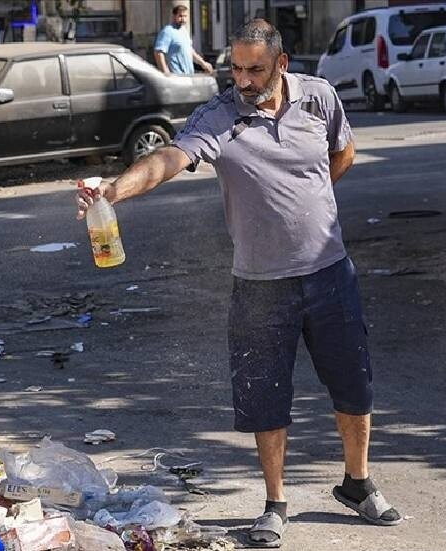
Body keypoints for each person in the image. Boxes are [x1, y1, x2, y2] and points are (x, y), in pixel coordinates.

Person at [77, 19, 401, 547]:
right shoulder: (220, 116)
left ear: (282, 64)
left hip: (330, 272)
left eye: (255, 69)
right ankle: (275, 504)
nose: (244, 80)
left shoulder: (319, 98)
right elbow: (168, 159)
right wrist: (114, 191)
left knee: (354, 385)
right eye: (236, 67)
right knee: (265, 399)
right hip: (260, 285)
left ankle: (357, 483)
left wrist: (309, 202)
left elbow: (343, 152)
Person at [154, 5, 213, 76]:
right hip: (176, 77)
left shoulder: (184, 31)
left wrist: (203, 64)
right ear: (174, 16)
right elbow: (159, 53)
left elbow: (190, 51)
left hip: (189, 75)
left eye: (185, 16)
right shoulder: (167, 31)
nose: (183, 19)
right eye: (180, 16)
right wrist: (165, 73)